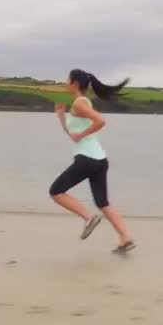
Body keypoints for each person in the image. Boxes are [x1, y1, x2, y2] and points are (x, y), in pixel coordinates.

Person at [48, 68, 136, 254]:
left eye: (67, 79)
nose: (65, 82)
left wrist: (82, 134)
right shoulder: (81, 104)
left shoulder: (80, 104)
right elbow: (74, 136)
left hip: (87, 159)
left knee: (56, 191)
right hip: (99, 160)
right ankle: (125, 238)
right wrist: (61, 118)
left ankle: (88, 218)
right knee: (103, 203)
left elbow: (100, 121)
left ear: (75, 83)